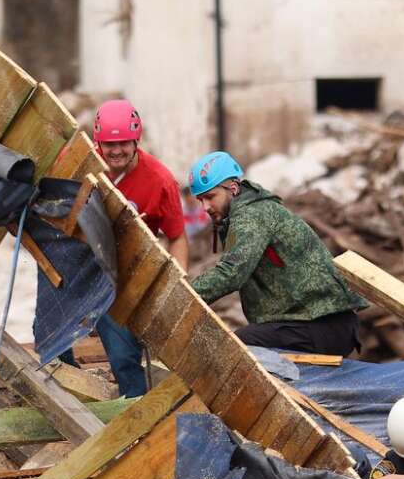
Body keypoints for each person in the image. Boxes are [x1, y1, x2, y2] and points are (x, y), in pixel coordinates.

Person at [187, 151, 366, 356]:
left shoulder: (251, 215)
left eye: (210, 197)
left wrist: (182, 296)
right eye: (200, 200)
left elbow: (231, 272)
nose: (205, 207)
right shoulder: (246, 212)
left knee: (240, 347)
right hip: (308, 322)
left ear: (233, 189)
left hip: (324, 323)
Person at [85, 99, 188, 396]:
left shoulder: (159, 180)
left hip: (128, 270)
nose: (116, 151)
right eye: (108, 144)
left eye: (123, 144)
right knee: (54, 332)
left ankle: (135, 409)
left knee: (122, 353)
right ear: (97, 142)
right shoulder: (83, 164)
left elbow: (177, 236)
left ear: (136, 141)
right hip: (83, 260)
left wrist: (176, 286)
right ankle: (66, 391)